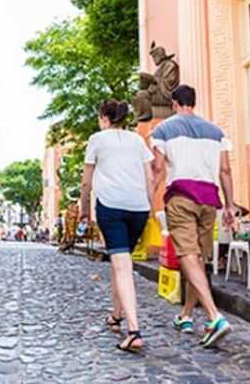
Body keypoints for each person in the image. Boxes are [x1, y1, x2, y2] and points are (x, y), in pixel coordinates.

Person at [150, 84, 234, 348]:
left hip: (181, 196)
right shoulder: (216, 132)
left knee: (187, 255)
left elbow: (158, 168)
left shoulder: (163, 130)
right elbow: (225, 171)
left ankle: (214, 316)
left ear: (174, 103)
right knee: (195, 258)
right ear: (193, 103)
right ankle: (186, 315)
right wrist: (230, 206)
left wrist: (147, 197)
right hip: (209, 199)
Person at [80, 99, 155, 353]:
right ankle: (116, 314)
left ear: (104, 117)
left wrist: (83, 210)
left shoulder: (97, 139)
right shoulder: (137, 140)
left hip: (111, 206)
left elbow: (86, 182)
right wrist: (150, 206)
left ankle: (134, 331)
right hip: (139, 209)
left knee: (122, 266)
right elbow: (150, 176)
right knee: (119, 260)